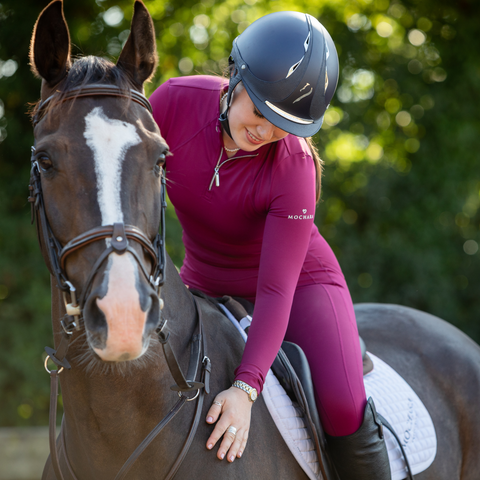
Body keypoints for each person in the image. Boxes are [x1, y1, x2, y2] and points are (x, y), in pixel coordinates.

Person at [150, 11, 391, 480]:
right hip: (201, 279)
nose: (265, 132)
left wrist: (244, 388)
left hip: (298, 285)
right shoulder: (173, 102)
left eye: (285, 125)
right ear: (235, 78)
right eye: (261, 111)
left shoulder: (294, 167)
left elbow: (276, 291)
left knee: (343, 404)